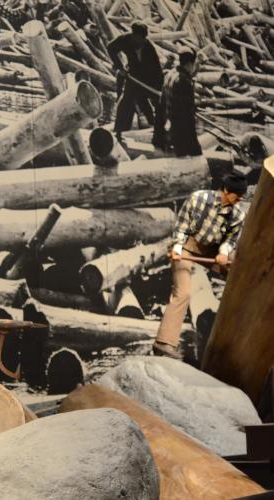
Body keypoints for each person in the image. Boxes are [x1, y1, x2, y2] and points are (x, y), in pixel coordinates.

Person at [153, 171, 248, 359]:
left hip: (211, 250)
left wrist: (223, 252)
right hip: (187, 246)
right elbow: (181, 227)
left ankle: (233, 338)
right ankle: (163, 342)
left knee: (240, 273)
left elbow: (231, 239)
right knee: (184, 292)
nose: (238, 202)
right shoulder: (198, 199)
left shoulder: (237, 214)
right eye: (236, 197)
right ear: (226, 191)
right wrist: (178, 248)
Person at [107, 21, 163, 143]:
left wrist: (158, 89)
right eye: (137, 38)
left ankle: (157, 128)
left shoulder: (149, 48)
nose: (139, 42)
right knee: (126, 101)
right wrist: (119, 66)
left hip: (148, 79)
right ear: (133, 35)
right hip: (133, 75)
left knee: (153, 102)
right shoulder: (126, 39)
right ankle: (119, 131)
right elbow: (110, 48)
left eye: (141, 40)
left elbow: (158, 71)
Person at [152, 47, 202, 157]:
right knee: (194, 155)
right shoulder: (184, 82)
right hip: (178, 136)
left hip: (167, 128)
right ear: (189, 64)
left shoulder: (170, 74)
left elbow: (160, 107)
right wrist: (195, 147)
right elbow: (188, 118)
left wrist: (157, 137)